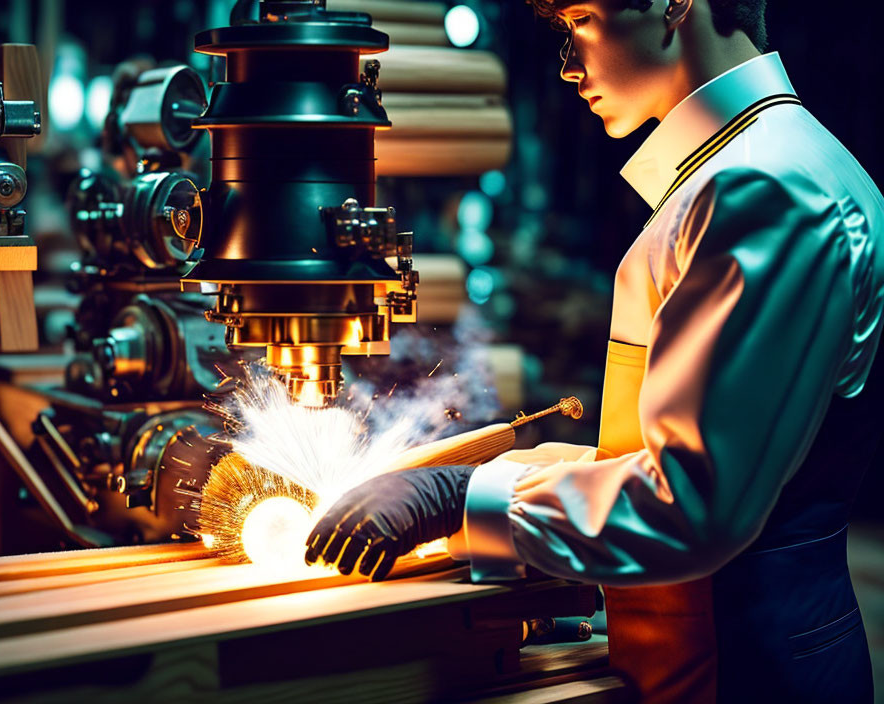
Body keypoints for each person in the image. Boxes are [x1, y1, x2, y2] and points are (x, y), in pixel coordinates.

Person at [305, 1, 884, 701]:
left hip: (743, 670)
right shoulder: (752, 166)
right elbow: (703, 456)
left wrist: (463, 496)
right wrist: (496, 473)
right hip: (712, 650)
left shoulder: (765, 187)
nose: (569, 65)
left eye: (580, 18)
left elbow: (693, 502)